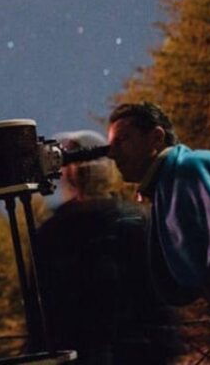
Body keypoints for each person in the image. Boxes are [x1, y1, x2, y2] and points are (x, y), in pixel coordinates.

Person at [36, 130, 179, 363]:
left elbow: (49, 313)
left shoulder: (53, 233)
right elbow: (161, 296)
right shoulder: (137, 220)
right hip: (142, 352)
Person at [107, 102, 210, 309]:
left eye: (122, 140)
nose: (113, 154)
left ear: (157, 138)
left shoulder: (188, 171)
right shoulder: (166, 188)